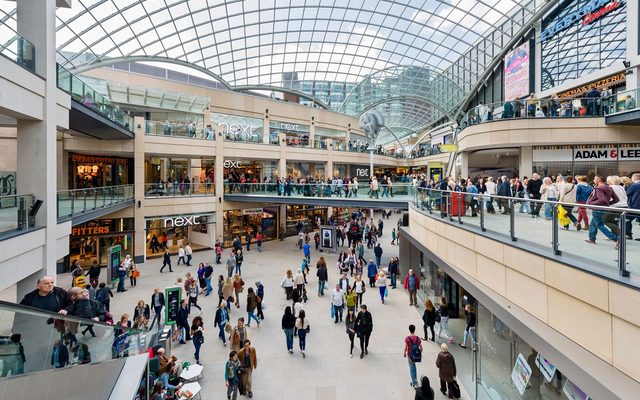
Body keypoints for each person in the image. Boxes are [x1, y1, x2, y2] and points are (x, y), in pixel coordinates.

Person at [585, 175, 619, 247]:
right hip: (603, 208)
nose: (594, 180)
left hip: (597, 209)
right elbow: (616, 199)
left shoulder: (599, 188)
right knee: (593, 223)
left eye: (594, 179)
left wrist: (590, 203)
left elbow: (601, 199)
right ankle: (592, 238)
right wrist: (607, 204)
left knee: (600, 225)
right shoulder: (609, 188)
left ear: (599, 180)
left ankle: (616, 239)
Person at [626, 173, 640, 240]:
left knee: (627, 219)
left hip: (634, 206)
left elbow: (627, 194)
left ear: (634, 178)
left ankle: (628, 234)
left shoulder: (634, 186)